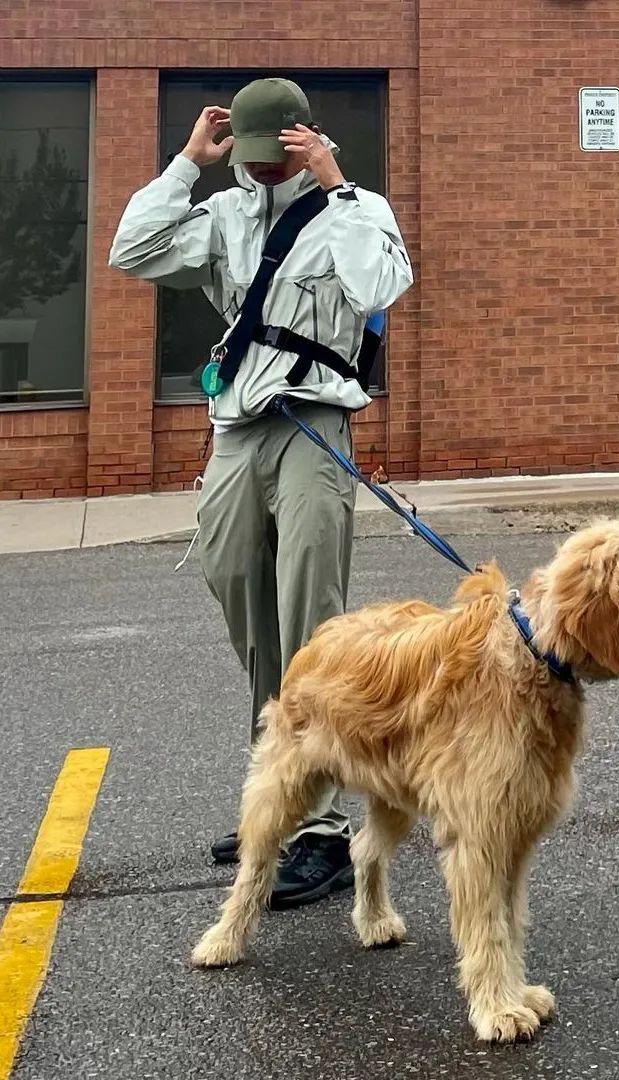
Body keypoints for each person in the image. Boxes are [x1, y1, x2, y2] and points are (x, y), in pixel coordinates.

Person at [109, 78, 413, 907]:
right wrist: (183, 166)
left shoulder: (356, 206)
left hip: (313, 426)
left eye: (272, 158)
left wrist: (332, 185)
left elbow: (379, 287)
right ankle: (279, 788)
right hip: (239, 430)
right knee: (236, 580)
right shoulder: (224, 216)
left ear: (301, 140)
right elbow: (130, 251)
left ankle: (315, 824)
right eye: (247, 160)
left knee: (311, 617)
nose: (260, 173)